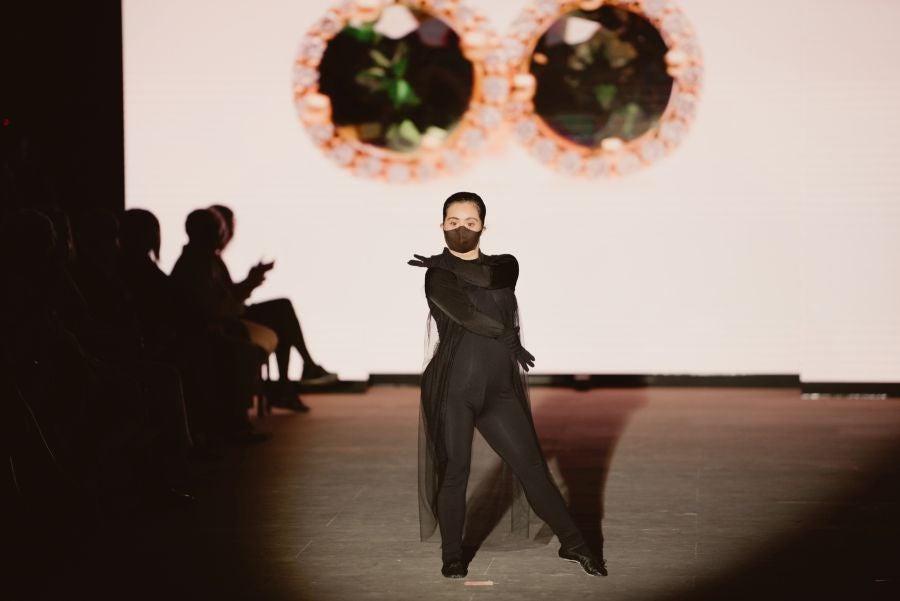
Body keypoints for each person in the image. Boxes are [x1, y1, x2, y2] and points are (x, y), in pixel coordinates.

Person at [408, 192, 606, 578]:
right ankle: (452, 556)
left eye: (469, 222)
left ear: (483, 226)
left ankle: (575, 545)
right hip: (451, 389)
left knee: (532, 468)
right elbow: (468, 316)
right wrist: (507, 335)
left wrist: (445, 261)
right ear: (441, 225)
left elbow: (485, 278)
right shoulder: (436, 276)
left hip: (499, 390)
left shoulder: (505, 265)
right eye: (452, 222)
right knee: (455, 471)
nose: (461, 229)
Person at [209, 204, 337, 411]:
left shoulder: (211, 260)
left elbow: (228, 296)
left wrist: (251, 280)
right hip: (228, 320)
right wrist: (251, 280)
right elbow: (227, 300)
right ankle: (302, 371)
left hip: (231, 316)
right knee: (283, 312)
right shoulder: (208, 262)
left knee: (282, 317)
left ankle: (295, 378)